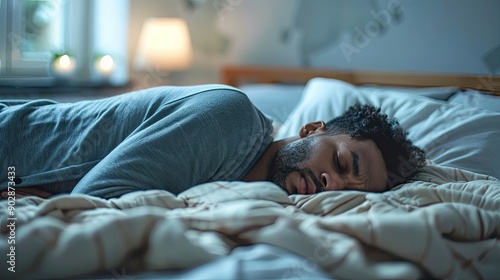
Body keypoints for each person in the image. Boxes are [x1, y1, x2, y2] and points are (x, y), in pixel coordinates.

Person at [0, 84, 425, 199]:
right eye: (343, 163)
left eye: (352, 191)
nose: (333, 184)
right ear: (312, 130)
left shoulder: (247, 197)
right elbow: (94, 199)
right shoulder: (229, 119)